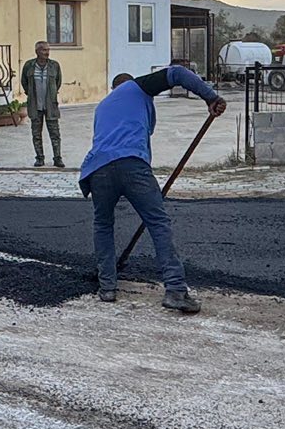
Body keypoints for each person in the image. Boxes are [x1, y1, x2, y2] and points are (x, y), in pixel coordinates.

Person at [80, 66, 226, 314]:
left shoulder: (102, 106)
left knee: (103, 224)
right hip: (131, 164)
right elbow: (177, 73)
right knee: (157, 222)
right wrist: (210, 96)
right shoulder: (137, 88)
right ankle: (176, 290)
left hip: (97, 169)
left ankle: (107, 286)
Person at [21, 41, 66, 168]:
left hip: (50, 105)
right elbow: (24, 82)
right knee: (36, 133)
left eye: (48, 50)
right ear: (37, 51)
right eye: (44, 50)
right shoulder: (29, 66)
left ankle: (57, 158)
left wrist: (51, 94)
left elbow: (58, 82)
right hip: (35, 105)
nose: (47, 52)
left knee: (55, 133)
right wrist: (30, 94)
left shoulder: (54, 66)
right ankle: (39, 158)